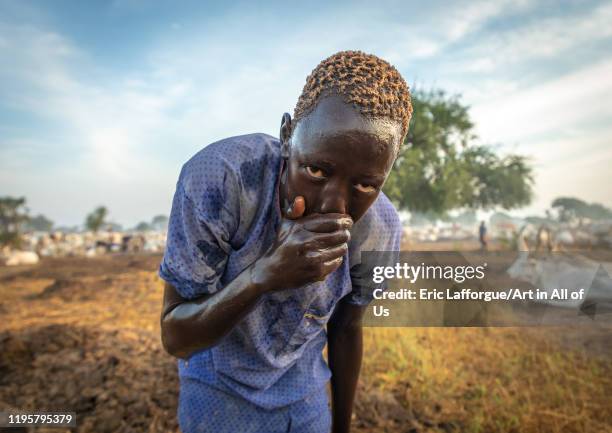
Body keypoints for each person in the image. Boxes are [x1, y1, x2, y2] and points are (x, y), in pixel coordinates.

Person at [159, 50, 413, 433]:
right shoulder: (221, 179)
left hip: (304, 396)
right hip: (216, 388)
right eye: (315, 170)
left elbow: (345, 329)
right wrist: (265, 275)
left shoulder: (378, 228)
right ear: (287, 135)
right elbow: (177, 338)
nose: (334, 206)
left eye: (365, 185)